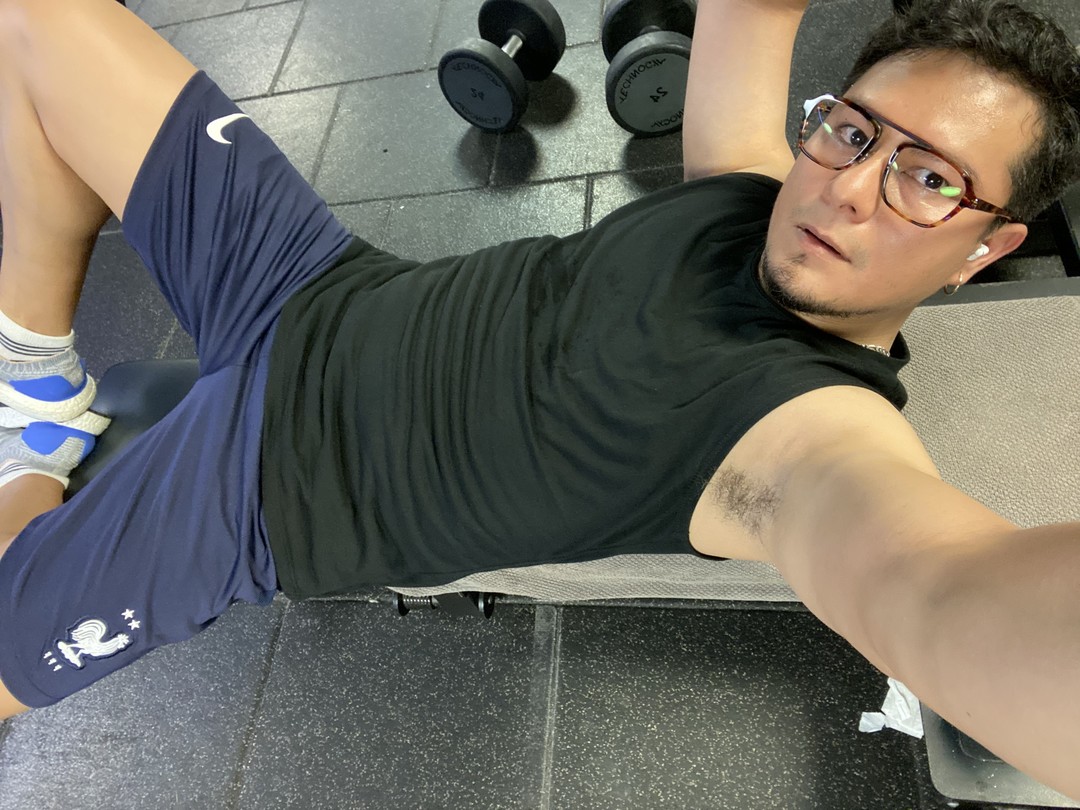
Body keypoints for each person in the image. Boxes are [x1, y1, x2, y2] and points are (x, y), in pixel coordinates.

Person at [0, 0, 1077, 797]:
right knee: (38, 26)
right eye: (855, 130)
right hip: (309, 284)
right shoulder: (752, 194)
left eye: (930, 180)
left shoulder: (813, 442)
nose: (846, 189)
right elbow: (751, 11)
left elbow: (940, 595)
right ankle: (37, 378)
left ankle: (33, 466)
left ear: (987, 250)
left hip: (260, 494)